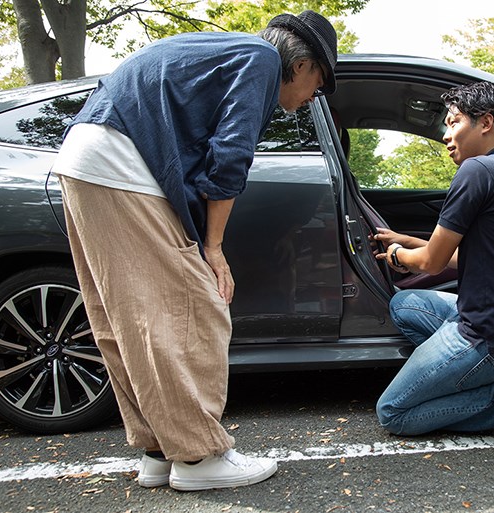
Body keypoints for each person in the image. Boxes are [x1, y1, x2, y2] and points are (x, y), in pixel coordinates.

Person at [51, 11, 338, 491]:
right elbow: (229, 157)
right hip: (124, 164)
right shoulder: (262, 60)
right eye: (320, 84)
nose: (313, 98)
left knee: (127, 319)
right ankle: (200, 457)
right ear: (303, 63)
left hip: (84, 158)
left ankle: (160, 449)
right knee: (195, 306)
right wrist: (214, 248)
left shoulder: (220, 51)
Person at [372, 81, 494, 447]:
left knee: (393, 412)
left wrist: (399, 256)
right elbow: (473, 256)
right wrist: (412, 241)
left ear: (485, 122)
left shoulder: (476, 171)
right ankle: (472, 374)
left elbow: (432, 262)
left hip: (493, 336)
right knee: (403, 304)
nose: (446, 134)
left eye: (454, 122)